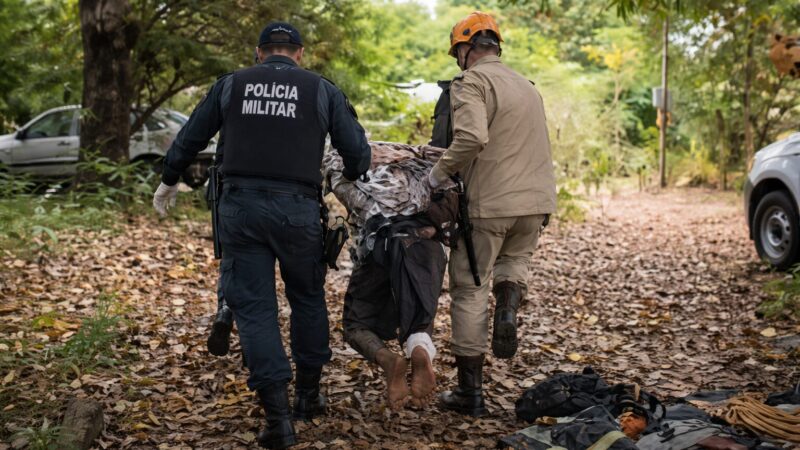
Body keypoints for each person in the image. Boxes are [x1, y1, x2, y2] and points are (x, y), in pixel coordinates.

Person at [152, 22, 371, 449]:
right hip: (299, 211)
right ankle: (308, 396)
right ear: (300, 54)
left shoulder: (231, 85)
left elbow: (190, 136)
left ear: (259, 52)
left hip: (241, 210)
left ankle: (278, 419)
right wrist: (344, 175)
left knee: (254, 309)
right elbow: (358, 156)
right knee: (307, 299)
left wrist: (169, 179)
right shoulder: (322, 90)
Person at [427, 11, 557, 417]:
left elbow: (471, 137)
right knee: (513, 261)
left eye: (457, 53)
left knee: (469, 288)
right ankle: (508, 304)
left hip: (489, 206)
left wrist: (438, 173)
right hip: (535, 204)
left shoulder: (471, 82)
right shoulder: (527, 87)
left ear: (466, 49)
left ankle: (470, 393)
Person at [323, 142, 459, 410]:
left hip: (380, 245)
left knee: (355, 324)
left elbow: (359, 208)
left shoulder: (345, 169)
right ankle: (419, 351)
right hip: (426, 247)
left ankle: (389, 360)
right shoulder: (433, 169)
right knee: (418, 315)